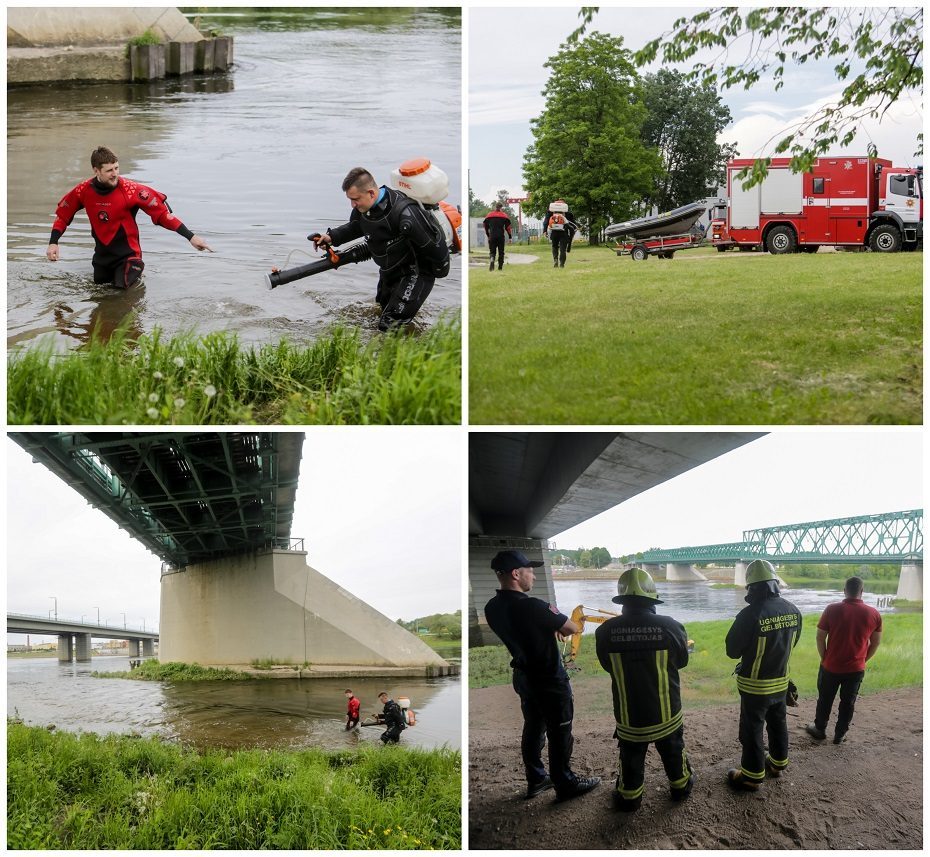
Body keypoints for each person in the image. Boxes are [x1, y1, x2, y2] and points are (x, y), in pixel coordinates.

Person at [483, 549, 600, 802]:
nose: (534, 577)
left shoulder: (492, 607)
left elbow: (527, 630)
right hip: (548, 680)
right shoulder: (533, 605)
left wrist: (549, 627)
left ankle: (536, 779)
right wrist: (555, 622)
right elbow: (573, 627)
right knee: (560, 731)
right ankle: (565, 783)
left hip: (524, 677)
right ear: (516, 574)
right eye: (530, 571)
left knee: (534, 728)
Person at [595, 568, 694, 811]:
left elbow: (608, 666)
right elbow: (681, 661)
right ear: (653, 599)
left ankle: (630, 798)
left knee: (631, 756)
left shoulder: (604, 631)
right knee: (673, 750)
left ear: (621, 601)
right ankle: (680, 787)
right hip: (667, 714)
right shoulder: (671, 626)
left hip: (629, 718)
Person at [47, 146, 212, 288]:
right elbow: (62, 216)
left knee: (120, 296)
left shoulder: (131, 190)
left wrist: (190, 237)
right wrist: (53, 243)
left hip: (129, 258)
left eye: (117, 168)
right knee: (101, 299)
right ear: (96, 170)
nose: (115, 174)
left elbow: (162, 215)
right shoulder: (83, 191)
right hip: (102, 259)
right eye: (109, 170)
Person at [310, 167, 450, 331]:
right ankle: (414, 335)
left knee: (389, 324)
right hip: (390, 270)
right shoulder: (362, 209)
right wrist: (331, 237)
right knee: (380, 312)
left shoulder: (406, 214)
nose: (352, 204)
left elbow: (437, 252)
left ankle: (404, 353)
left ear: (371, 193)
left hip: (417, 273)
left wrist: (434, 274)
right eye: (350, 199)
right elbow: (356, 227)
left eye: (355, 199)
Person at [725, 559, 802, 792]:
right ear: (774, 583)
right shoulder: (793, 611)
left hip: (754, 687)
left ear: (751, 587)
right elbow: (792, 644)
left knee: (752, 729)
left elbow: (732, 651)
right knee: (778, 723)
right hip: (780, 683)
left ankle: (751, 776)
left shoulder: (749, 615)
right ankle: (778, 765)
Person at [806, 576, 882, 745]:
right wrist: (863, 659)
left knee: (825, 698)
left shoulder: (831, 609)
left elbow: (820, 637)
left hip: (830, 666)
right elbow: (876, 642)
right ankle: (840, 734)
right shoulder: (874, 613)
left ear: (844, 590)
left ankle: (819, 729)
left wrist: (824, 657)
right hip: (856, 669)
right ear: (861, 592)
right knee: (848, 702)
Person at [542, 200, 577, 268]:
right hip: (564, 233)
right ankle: (562, 264)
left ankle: (555, 260)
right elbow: (573, 224)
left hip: (554, 233)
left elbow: (546, 222)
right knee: (562, 249)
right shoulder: (568, 214)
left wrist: (545, 230)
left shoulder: (550, 213)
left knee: (554, 246)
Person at [482, 202, 512, 271]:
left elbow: (485, 225)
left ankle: (492, 260)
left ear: (495, 207)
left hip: (492, 236)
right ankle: (500, 267)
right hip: (501, 237)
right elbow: (508, 228)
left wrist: (488, 235)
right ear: (501, 208)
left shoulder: (489, 215)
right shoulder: (504, 216)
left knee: (492, 252)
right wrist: (510, 237)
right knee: (501, 252)